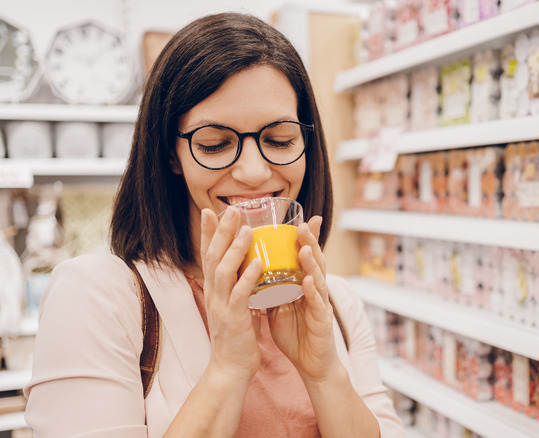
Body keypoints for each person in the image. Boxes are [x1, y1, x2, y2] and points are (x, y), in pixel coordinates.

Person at [24, 12, 405, 438]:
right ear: (172, 155)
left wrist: (325, 374)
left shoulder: (337, 305)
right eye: (215, 144)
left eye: (280, 140)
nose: (255, 171)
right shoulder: (97, 299)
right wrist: (226, 370)